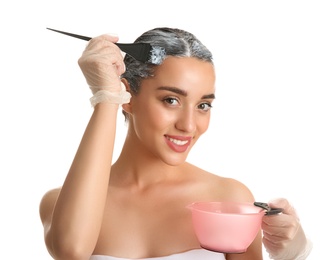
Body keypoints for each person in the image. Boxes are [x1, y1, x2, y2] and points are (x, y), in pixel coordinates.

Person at [39, 27, 312, 260]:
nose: (189, 125)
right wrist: (106, 98)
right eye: (171, 100)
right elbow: (71, 249)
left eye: (203, 105)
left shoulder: (227, 199)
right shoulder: (61, 203)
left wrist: (295, 251)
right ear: (129, 97)